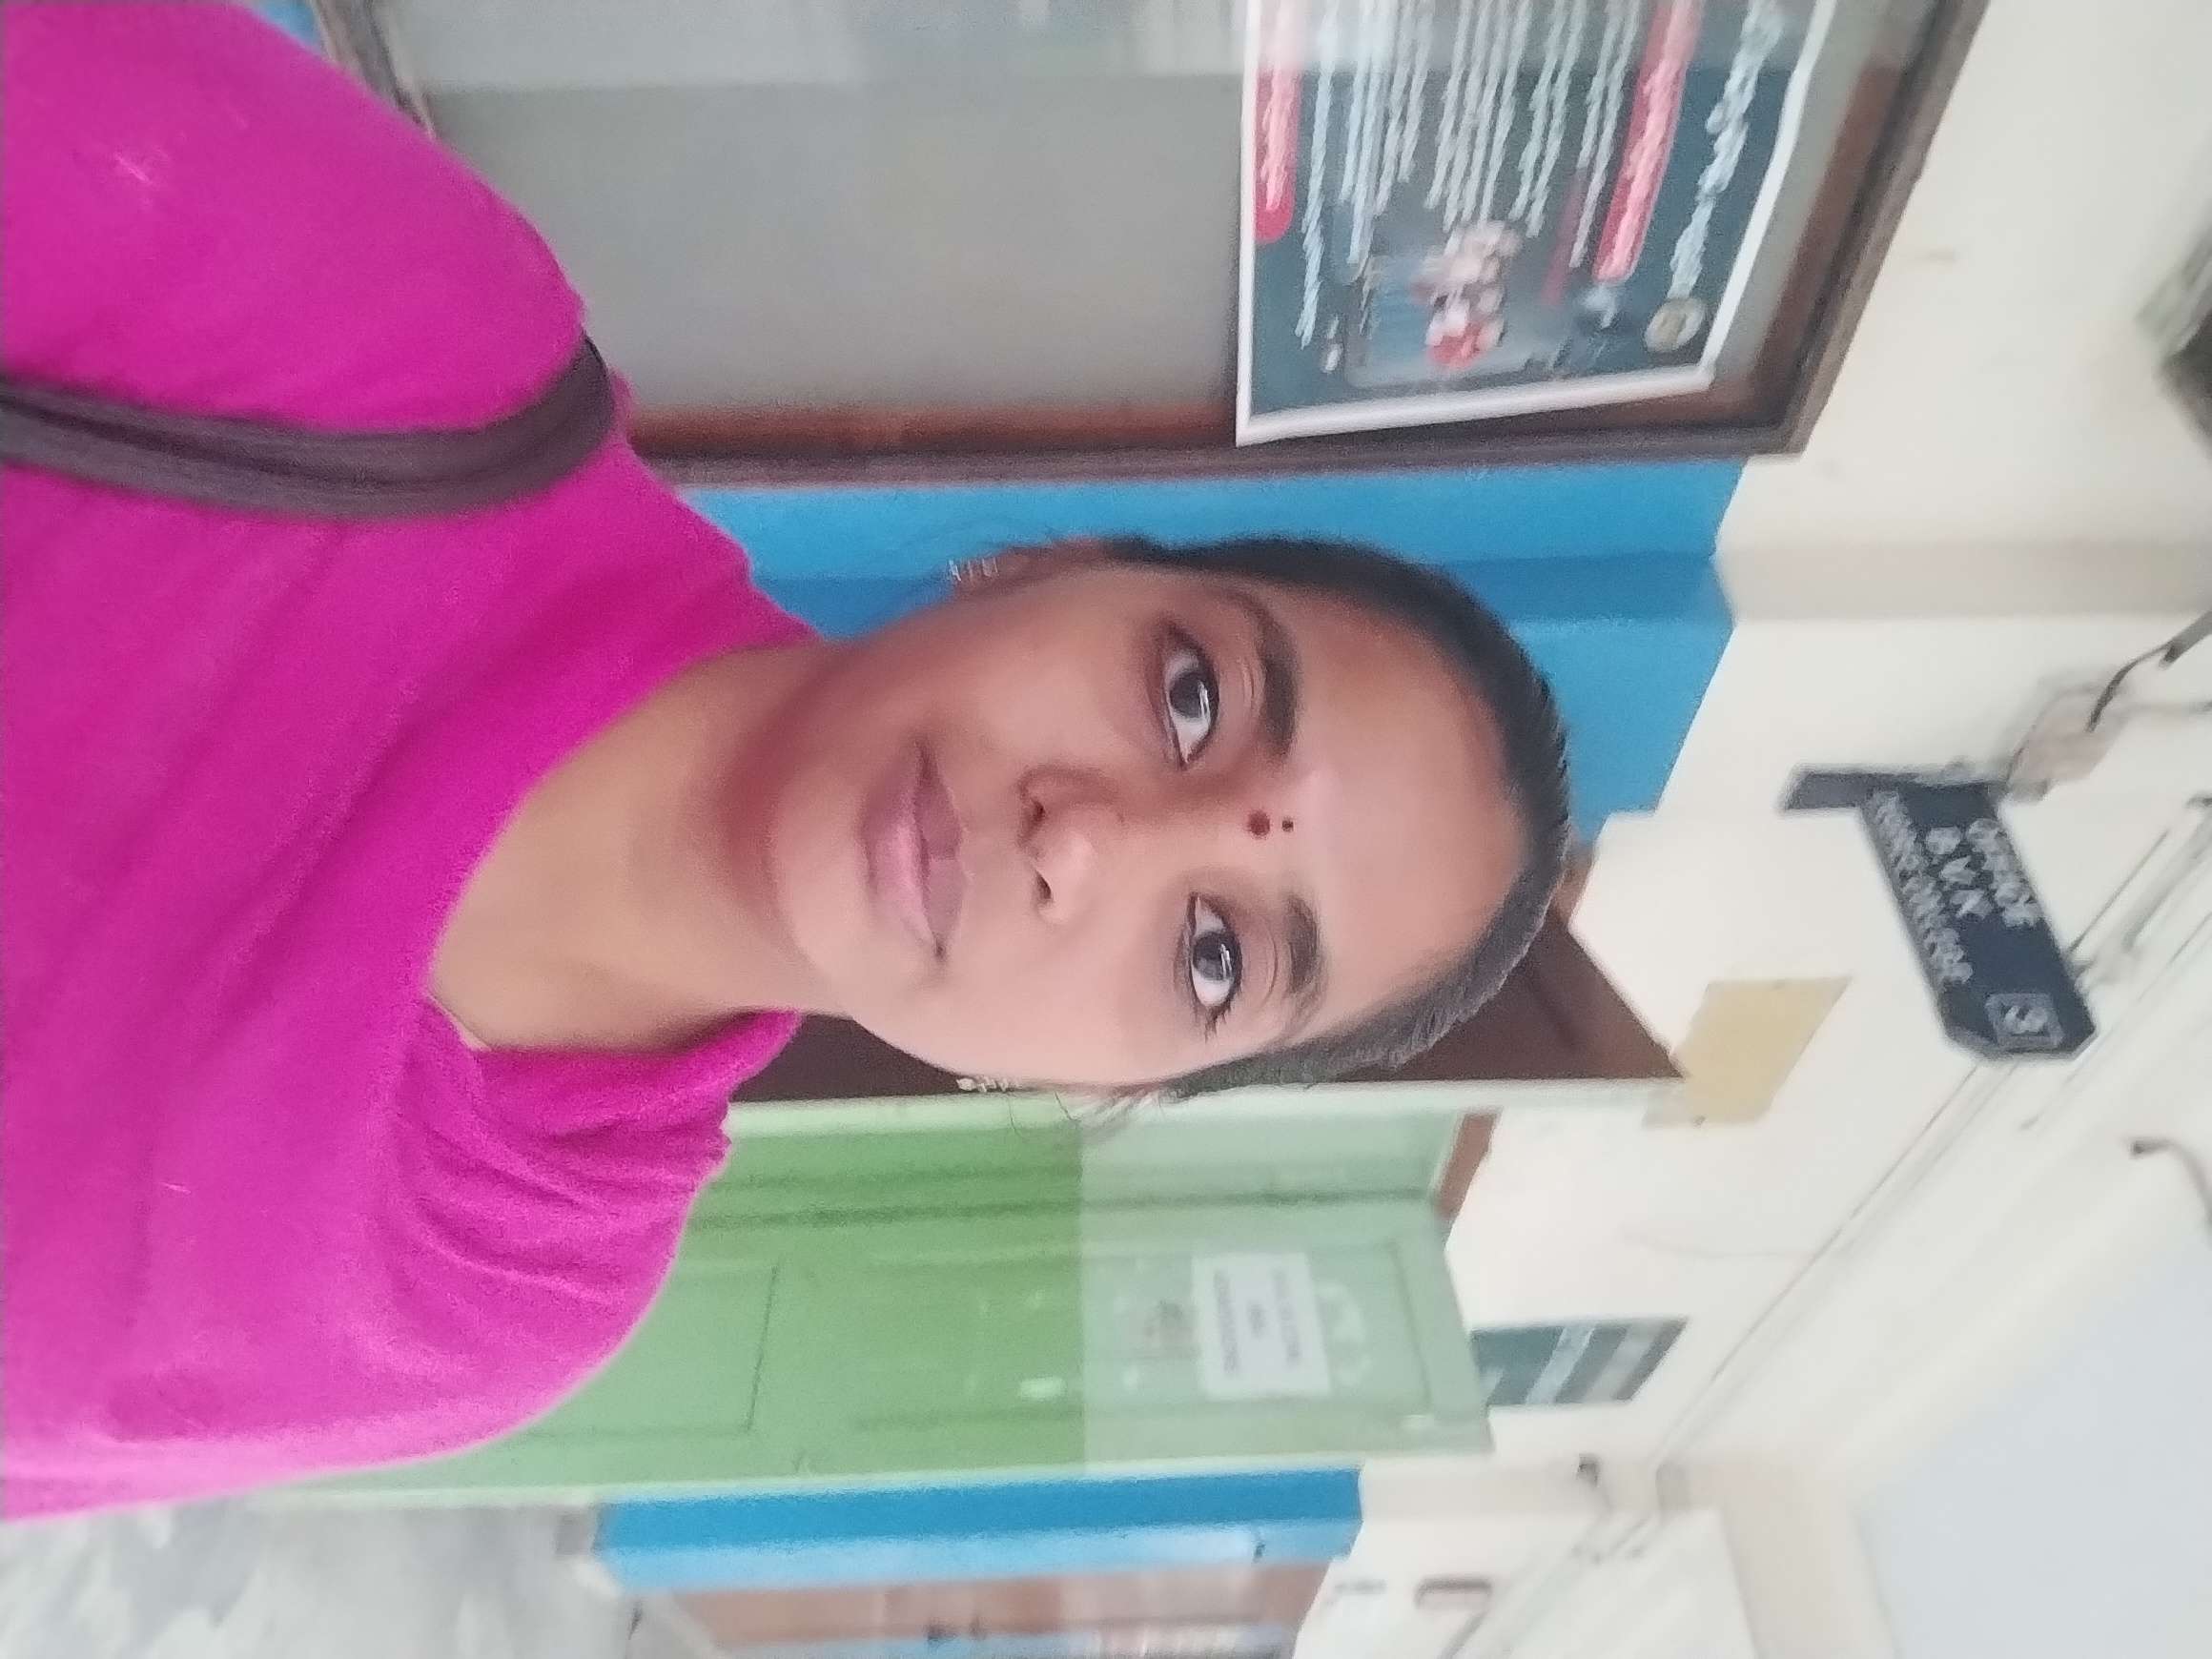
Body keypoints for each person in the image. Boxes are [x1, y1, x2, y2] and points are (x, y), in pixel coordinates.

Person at [0, 6, 1570, 1515]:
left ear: (1109, 1081)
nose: (1084, 840)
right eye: (1189, 697)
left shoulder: (495, 1292)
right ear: (1048, 565)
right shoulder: (401, 342)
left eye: (1214, 954)